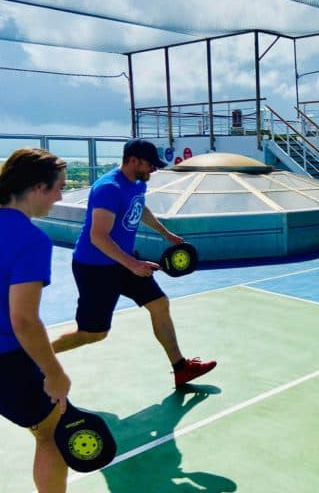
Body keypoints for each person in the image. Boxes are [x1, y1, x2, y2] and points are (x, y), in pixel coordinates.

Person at [52, 140, 216, 387]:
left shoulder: (137, 183)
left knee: (159, 304)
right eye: (150, 164)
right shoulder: (108, 188)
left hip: (124, 261)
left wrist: (166, 233)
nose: (154, 170)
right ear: (133, 160)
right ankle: (33, 355)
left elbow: (139, 208)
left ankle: (180, 368)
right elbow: (98, 236)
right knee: (92, 334)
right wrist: (132, 264)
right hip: (95, 267)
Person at [0, 148, 70, 492]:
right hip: (7, 359)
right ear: (38, 187)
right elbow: (24, 320)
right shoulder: (31, 239)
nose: (60, 196)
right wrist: (54, 373)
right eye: (59, 187)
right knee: (52, 434)